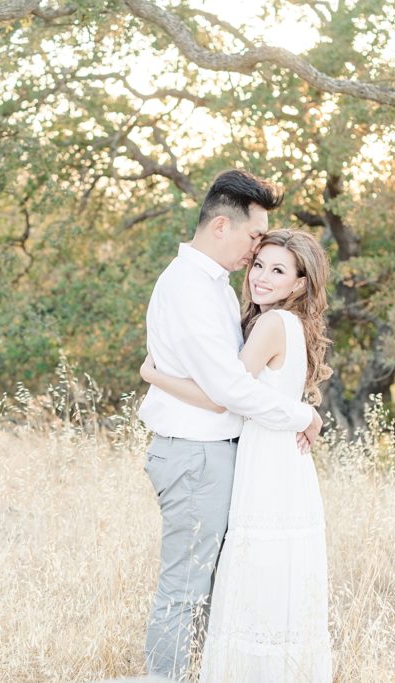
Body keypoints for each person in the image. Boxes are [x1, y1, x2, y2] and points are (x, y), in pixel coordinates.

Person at [137, 170, 323, 681]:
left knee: (210, 590)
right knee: (185, 591)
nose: (255, 254)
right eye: (254, 240)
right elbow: (229, 393)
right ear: (222, 225)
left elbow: (231, 386)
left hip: (214, 454)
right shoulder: (192, 288)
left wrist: (154, 376)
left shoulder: (215, 287)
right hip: (195, 454)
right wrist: (304, 415)